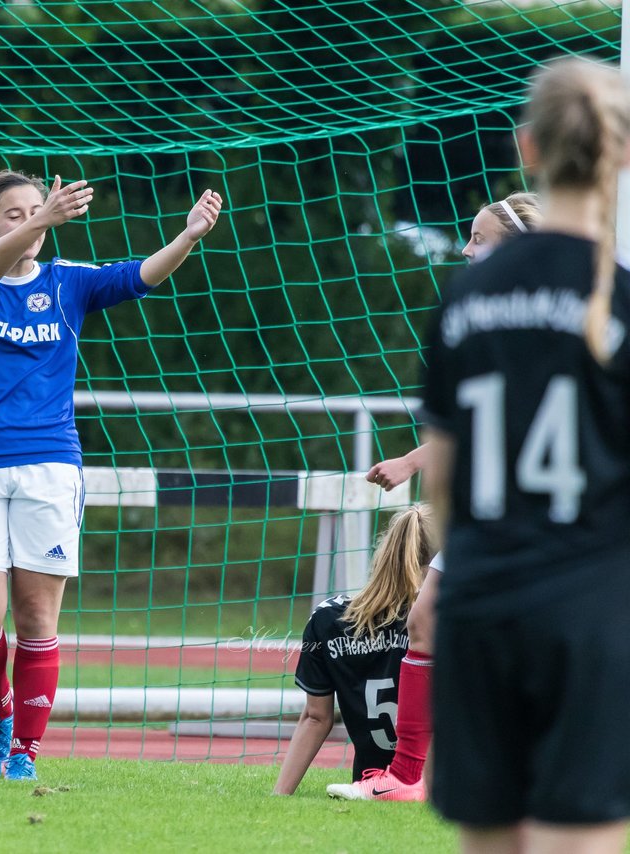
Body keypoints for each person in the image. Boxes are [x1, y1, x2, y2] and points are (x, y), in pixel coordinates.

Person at [0, 170, 224, 781]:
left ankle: (23, 754)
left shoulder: (69, 283)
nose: (28, 222)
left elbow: (139, 275)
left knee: (37, 619)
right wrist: (44, 219)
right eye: (12, 214)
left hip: (48, 465)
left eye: (35, 211)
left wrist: (189, 237)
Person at [422, 58, 630, 853]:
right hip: (588, 613)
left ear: (527, 147)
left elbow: (441, 481)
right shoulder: (620, 296)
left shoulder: (465, 299)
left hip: (481, 607)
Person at [344, 191, 542, 801]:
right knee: (426, 621)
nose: (466, 247)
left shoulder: (548, 322)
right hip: (487, 511)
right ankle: (406, 777)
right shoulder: (485, 318)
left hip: (540, 515)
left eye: (480, 238)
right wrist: (409, 461)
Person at [273, 504, 436, 796]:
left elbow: (316, 717)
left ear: (384, 553)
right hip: (434, 782)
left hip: (368, 781)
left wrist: (279, 795)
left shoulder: (327, 618)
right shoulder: (437, 621)